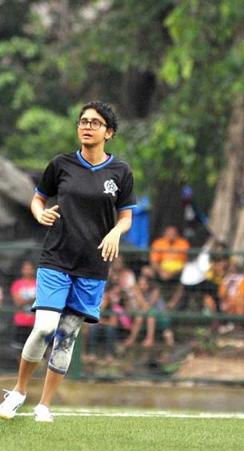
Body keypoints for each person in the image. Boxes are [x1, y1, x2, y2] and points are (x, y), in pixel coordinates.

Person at [0, 100, 136, 422]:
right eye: (82, 121)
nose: (86, 126)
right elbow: (38, 198)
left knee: (67, 336)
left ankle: (44, 405)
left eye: (94, 122)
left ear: (109, 132)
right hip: (56, 258)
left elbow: (126, 217)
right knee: (45, 327)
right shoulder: (61, 165)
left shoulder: (121, 172)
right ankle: (18, 391)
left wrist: (117, 232)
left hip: (93, 266)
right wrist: (39, 212)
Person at [10, 260, 37, 347]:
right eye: (26, 268)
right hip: (21, 323)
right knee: (19, 350)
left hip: (35, 323)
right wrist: (34, 299)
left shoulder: (39, 283)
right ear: (22, 270)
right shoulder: (17, 284)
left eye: (30, 269)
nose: (28, 271)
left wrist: (25, 300)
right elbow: (18, 302)